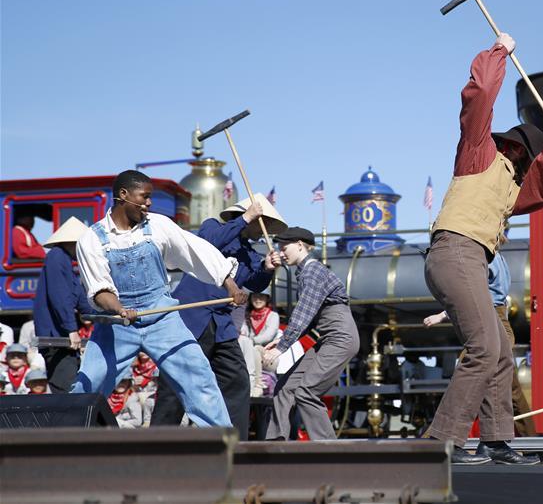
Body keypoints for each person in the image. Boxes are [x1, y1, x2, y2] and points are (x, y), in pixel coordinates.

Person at [425, 33, 543, 465]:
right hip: (455, 250)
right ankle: (441, 441)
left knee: (501, 351)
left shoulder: (510, 185)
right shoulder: (478, 152)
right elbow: (481, 94)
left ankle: (497, 441)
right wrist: (499, 51)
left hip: (468, 258)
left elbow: (542, 192)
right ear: (519, 150)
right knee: (485, 347)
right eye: (531, 157)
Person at [72, 169, 247, 429]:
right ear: (123, 195)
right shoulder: (92, 240)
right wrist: (120, 309)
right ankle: (67, 439)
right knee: (89, 384)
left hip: (162, 318)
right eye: (144, 196)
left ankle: (222, 440)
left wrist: (230, 284)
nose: (149, 203)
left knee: (198, 376)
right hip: (117, 324)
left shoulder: (158, 226)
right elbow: (99, 290)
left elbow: (196, 251)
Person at [151, 193, 285, 440]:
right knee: (176, 382)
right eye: (263, 223)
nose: (265, 230)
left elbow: (255, 283)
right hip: (191, 318)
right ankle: (157, 444)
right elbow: (207, 243)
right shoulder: (212, 227)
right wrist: (245, 219)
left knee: (237, 381)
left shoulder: (250, 254)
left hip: (221, 325)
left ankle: (234, 443)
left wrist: (267, 268)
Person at [423, 250, 537, 437]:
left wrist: (443, 315)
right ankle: (531, 438)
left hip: (490, 318)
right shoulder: (497, 257)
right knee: (511, 387)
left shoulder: (486, 258)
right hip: (498, 318)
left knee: (469, 373)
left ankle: (434, 437)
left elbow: (475, 295)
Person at [264, 227, 359, 441]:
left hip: (339, 338)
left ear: (300, 245)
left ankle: (328, 448)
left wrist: (280, 349)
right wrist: (280, 340)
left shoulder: (312, 271)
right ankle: (275, 443)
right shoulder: (305, 272)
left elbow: (302, 315)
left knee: (306, 392)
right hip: (328, 339)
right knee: (285, 387)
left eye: (284, 247)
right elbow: (307, 321)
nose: (281, 252)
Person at [32, 217, 94, 393]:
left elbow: (80, 299)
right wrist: (71, 329)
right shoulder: (57, 257)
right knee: (66, 389)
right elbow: (60, 297)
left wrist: (108, 313)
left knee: (71, 385)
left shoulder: (64, 260)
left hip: (61, 336)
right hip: (56, 338)